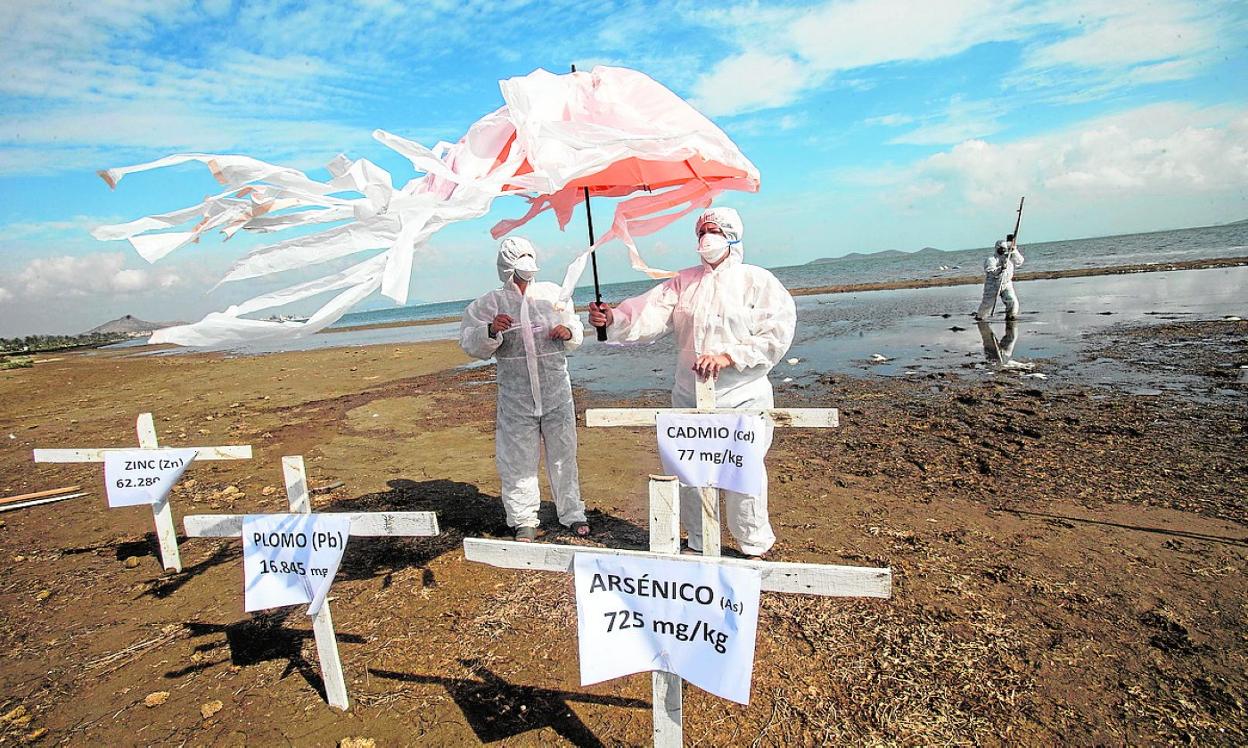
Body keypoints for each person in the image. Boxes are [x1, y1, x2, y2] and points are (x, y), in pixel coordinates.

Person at [587, 207, 796, 559]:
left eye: (714, 230)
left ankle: (753, 544)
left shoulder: (757, 281)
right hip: (690, 398)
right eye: (701, 231)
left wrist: (730, 356)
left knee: (743, 474)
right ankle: (699, 542)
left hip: (742, 398)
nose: (706, 237)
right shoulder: (684, 282)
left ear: (732, 236)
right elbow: (649, 313)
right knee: (691, 474)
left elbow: (777, 334)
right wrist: (613, 318)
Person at [459, 237, 589, 542]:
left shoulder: (553, 295)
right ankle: (523, 519)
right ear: (507, 270)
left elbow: (575, 325)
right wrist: (490, 329)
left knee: (564, 455)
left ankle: (572, 513)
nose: (525, 277)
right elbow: (469, 342)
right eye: (519, 271)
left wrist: (568, 331)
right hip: (516, 397)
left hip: (556, 391)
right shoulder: (489, 304)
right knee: (518, 460)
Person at [975, 233, 1025, 320]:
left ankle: (1011, 316)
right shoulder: (991, 259)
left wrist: (1014, 250)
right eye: (1001, 249)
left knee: (1012, 301)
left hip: (1006, 283)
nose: (1003, 250)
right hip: (993, 284)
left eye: (1005, 249)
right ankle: (980, 317)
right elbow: (990, 271)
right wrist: (1000, 269)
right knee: (988, 304)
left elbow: (1019, 261)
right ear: (997, 248)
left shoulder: (1010, 256)